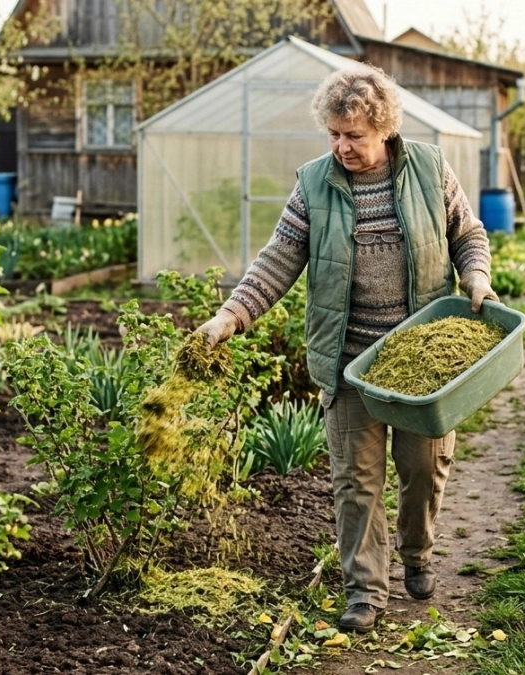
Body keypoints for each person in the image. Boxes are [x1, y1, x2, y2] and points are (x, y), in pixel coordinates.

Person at [196, 63, 497, 633]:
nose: (342, 147)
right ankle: (364, 590)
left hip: (423, 362)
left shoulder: (430, 169)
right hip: (350, 362)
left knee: (423, 469)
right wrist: (229, 317)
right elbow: (277, 259)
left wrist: (476, 277)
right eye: (333, 134)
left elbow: (467, 234)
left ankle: (418, 552)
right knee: (355, 483)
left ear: (383, 128)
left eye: (354, 136)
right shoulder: (314, 184)